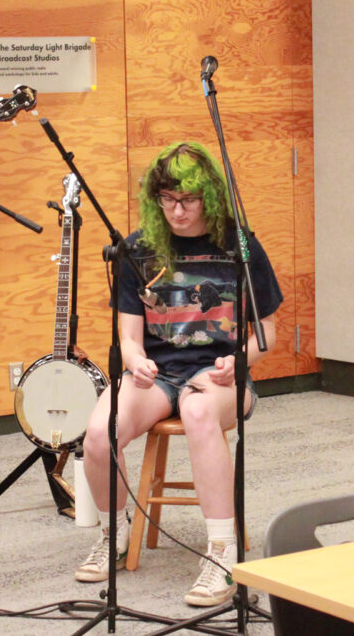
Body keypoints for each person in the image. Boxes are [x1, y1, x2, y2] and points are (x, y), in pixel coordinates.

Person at [76, 142, 283, 607]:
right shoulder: (140, 248)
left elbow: (268, 332)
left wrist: (241, 360)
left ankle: (221, 554)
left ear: (207, 196)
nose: (176, 211)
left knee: (197, 412)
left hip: (223, 378)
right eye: (166, 200)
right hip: (158, 377)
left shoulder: (240, 245)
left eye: (187, 201)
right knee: (96, 435)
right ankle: (114, 532)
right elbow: (129, 336)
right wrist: (135, 362)